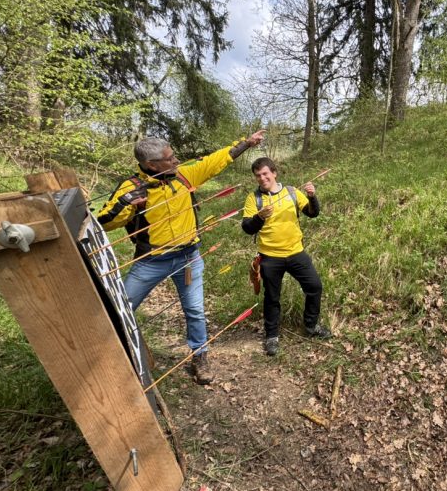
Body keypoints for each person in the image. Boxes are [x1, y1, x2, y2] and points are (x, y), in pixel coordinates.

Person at [97, 130, 266, 384]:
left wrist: (247, 143)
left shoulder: (184, 175)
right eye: (169, 158)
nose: (176, 160)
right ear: (151, 164)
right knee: (121, 308)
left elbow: (215, 161)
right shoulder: (131, 188)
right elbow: (105, 222)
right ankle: (110, 359)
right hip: (151, 261)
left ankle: (200, 355)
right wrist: (127, 204)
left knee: (195, 310)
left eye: (174, 155)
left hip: (188, 258)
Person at [241, 157, 330, 356]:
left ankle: (311, 326)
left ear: (274, 173)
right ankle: (272, 336)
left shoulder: (291, 192)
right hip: (269, 256)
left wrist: (312, 196)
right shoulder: (254, 198)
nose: (262, 178)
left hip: (296, 252)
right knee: (272, 297)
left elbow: (312, 213)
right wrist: (259, 217)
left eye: (265, 173)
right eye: (258, 175)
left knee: (315, 287)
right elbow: (247, 228)